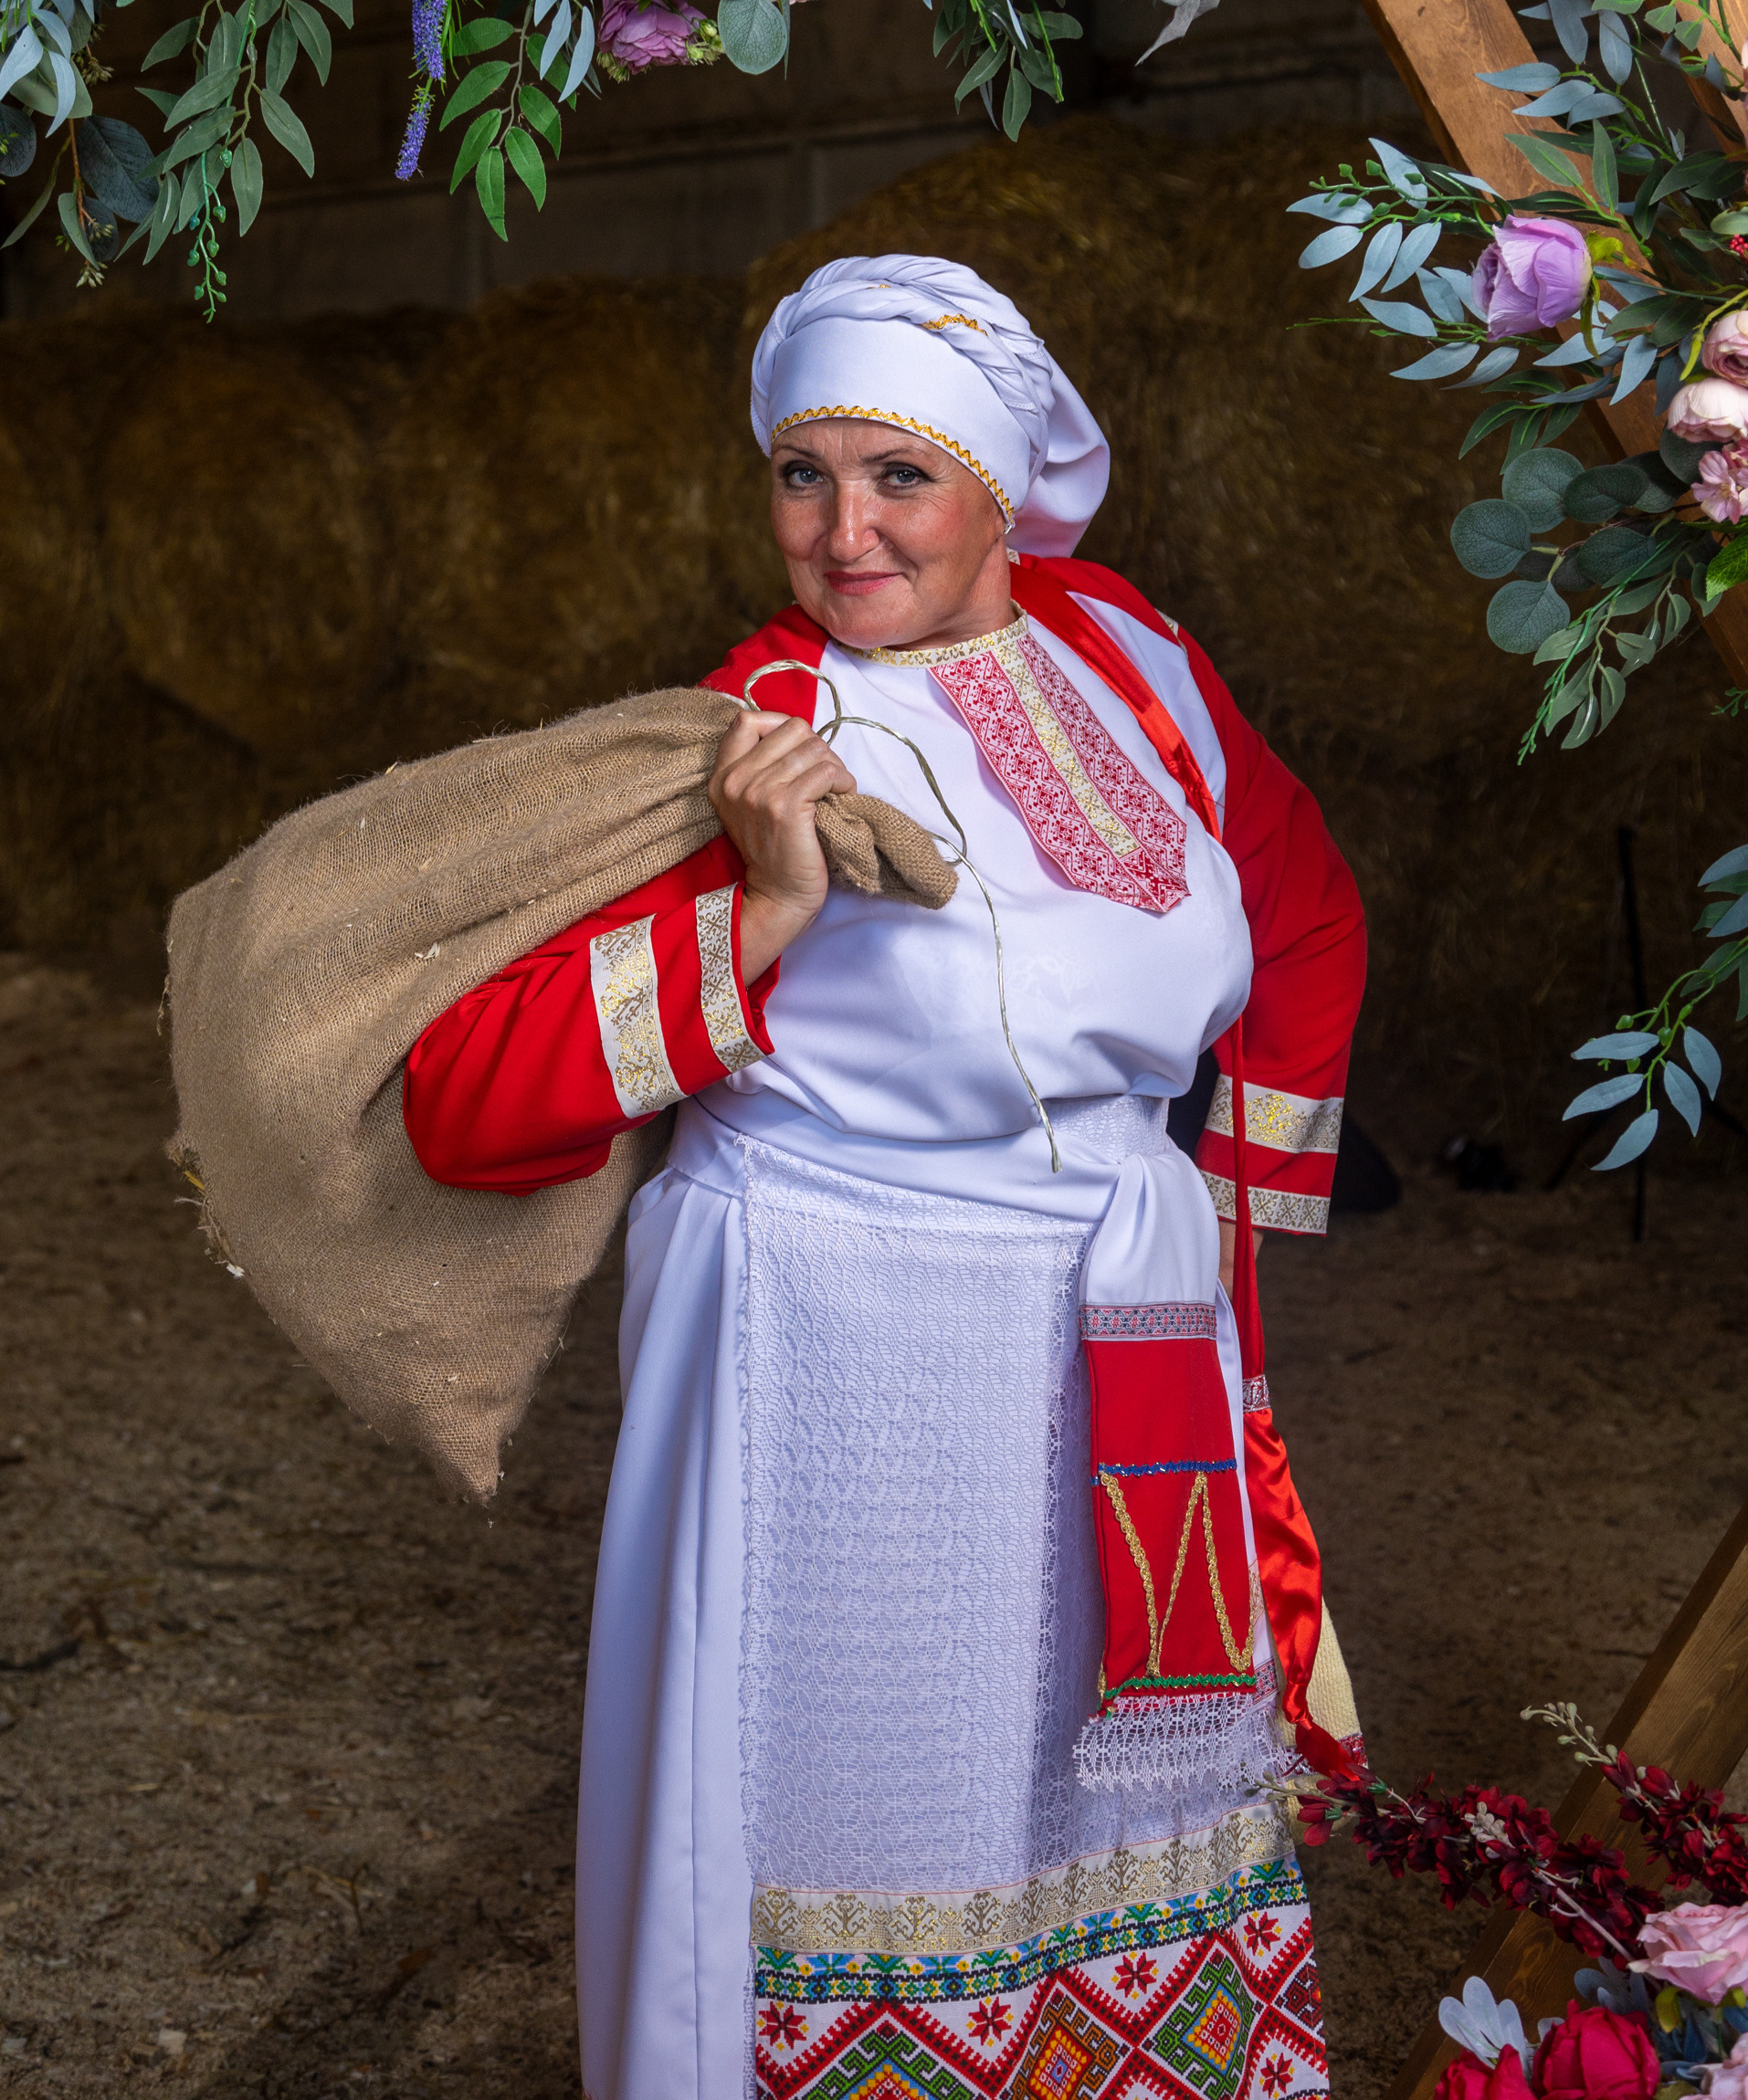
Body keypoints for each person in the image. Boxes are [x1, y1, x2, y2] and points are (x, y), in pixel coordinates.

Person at [402, 254, 1367, 2100]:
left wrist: (1232, 1226)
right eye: (801, 474)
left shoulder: (1132, 658)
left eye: (899, 475)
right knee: (894, 1806)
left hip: (1120, 1328)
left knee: (1103, 1790)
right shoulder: (752, 730)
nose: (843, 533)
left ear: (1000, 487)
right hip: (850, 1373)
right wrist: (761, 914)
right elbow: (467, 1096)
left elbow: (1303, 899)